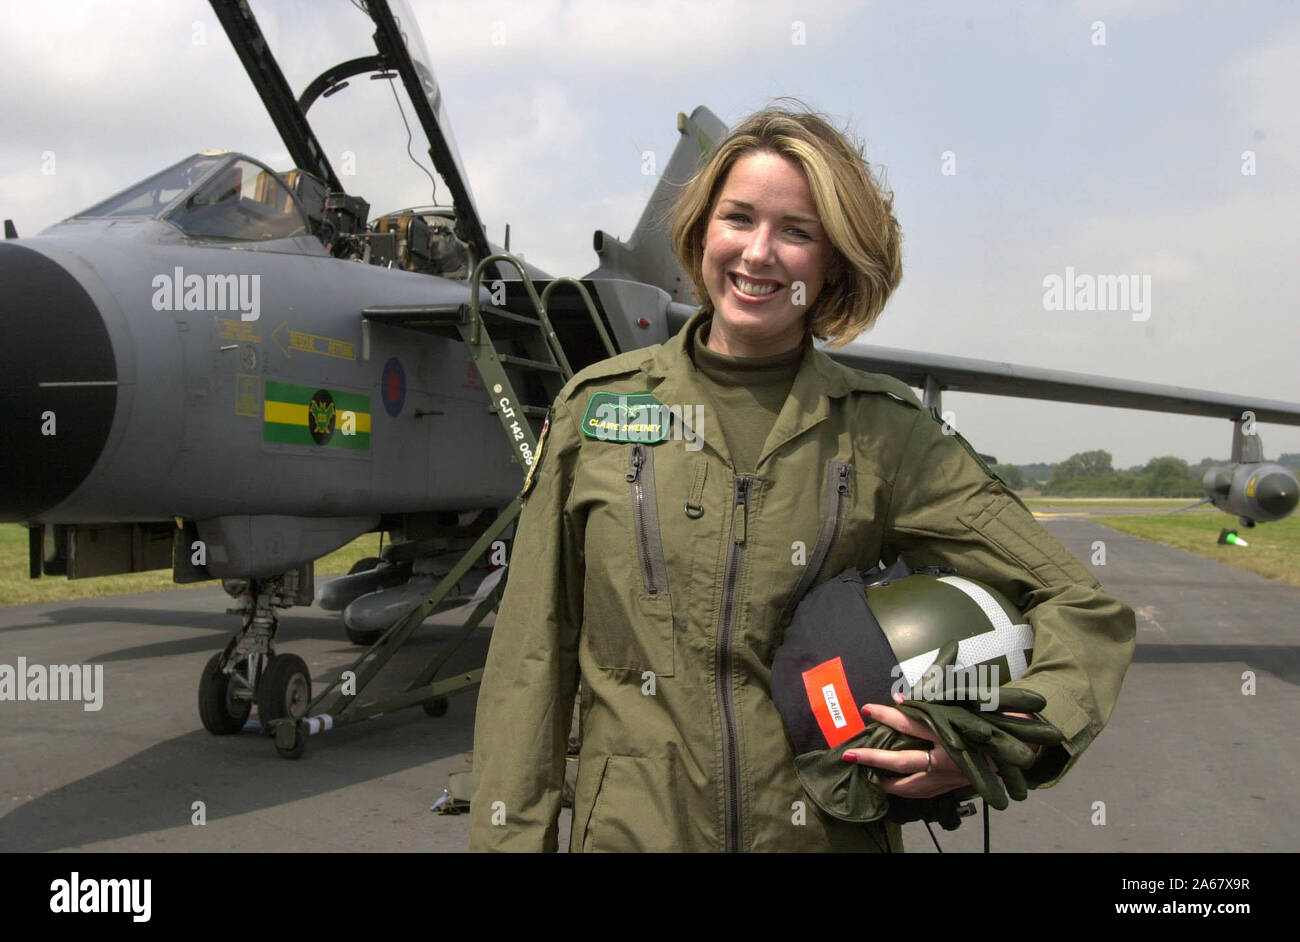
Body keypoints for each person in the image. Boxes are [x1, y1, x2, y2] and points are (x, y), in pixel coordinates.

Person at [468, 105, 1136, 853]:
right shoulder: (598, 412)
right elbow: (531, 662)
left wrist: (995, 737)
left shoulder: (884, 431)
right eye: (738, 218)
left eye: (796, 231)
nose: (758, 254)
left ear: (834, 262)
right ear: (699, 232)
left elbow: (1082, 605)